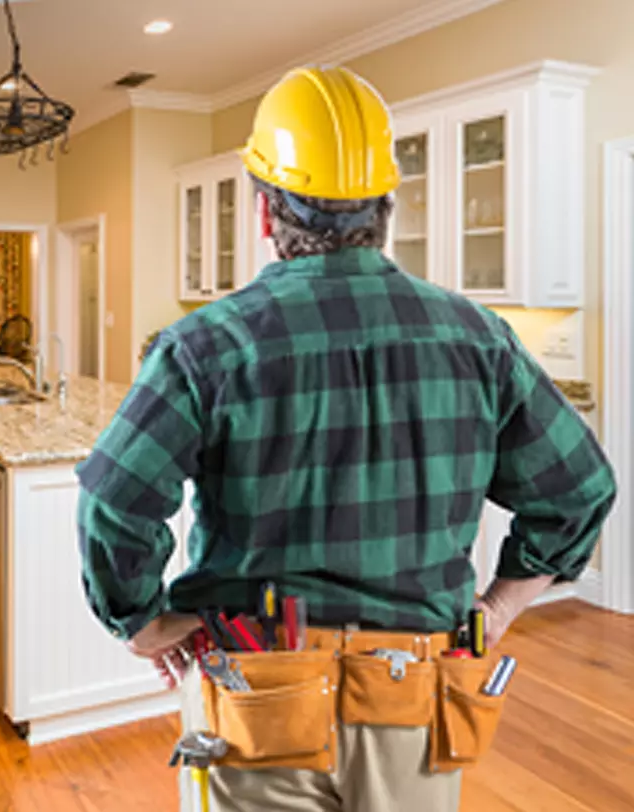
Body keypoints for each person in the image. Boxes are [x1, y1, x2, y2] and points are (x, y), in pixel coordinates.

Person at [74, 64, 617, 812]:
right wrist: (497, 608)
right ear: (387, 207)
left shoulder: (205, 346)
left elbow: (114, 501)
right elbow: (580, 491)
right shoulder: (477, 338)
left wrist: (140, 622)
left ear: (265, 212)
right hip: (415, 694)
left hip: (255, 691)